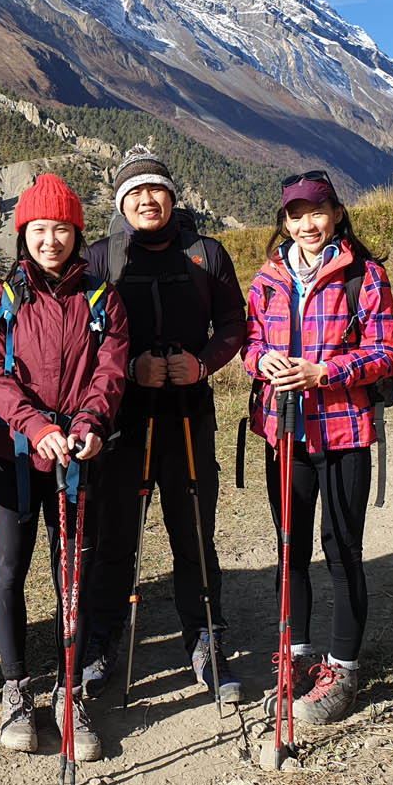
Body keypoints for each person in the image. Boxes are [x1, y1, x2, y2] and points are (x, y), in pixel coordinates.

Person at [0, 173, 128, 762]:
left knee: (73, 575)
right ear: (23, 234)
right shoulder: (2, 298)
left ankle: (70, 693)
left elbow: (109, 372)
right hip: (12, 456)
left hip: (77, 458)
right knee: (10, 569)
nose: (51, 240)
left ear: (77, 233)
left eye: (62, 229)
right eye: (40, 229)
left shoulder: (101, 298)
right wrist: (37, 427)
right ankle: (17, 690)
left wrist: (87, 425)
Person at [82, 146, 247, 702]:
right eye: (134, 192)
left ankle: (205, 638)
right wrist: (130, 368)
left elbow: (232, 325)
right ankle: (100, 642)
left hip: (187, 416)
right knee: (114, 535)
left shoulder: (207, 254)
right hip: (121, 422)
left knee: (193, 531)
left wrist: (201, 363)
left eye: (156, 190)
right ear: (121, 203)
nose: (147, 200)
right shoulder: (100, 259)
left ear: (173, 198)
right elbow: (82, 337)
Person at [243, 169, 393, 724]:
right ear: (284, 220)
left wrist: (323, 373)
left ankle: (344, 671)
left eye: (317, 211)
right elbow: (252, 341)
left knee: (341, 551)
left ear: (335, 212)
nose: (307, 223)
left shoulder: (365, 275)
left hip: (343, 432)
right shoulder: (268, 278)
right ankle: (296, 659)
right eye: (296, 213)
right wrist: (261, 360)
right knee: (290, 550)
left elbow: (384, 352)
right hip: (283, 432)